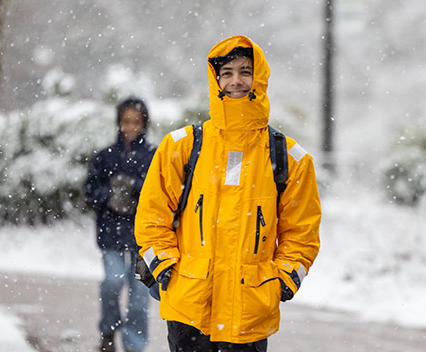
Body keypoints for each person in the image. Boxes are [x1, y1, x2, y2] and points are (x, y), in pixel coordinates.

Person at [135, 35, 321, 351]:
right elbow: (152, 218)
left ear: (258, 76)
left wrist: (283, 281)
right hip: (189, 305)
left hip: (250, 311)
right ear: (216, 79)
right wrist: (166, 267)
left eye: (245, 71)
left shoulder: (289, 158)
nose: (237, 80)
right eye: (228, 72)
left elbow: (302, 234)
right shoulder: (181, 147)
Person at [84, 97, 157, 352]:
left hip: (145, 240)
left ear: (144, 123)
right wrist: (110, 195)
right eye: (126, 121)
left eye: (136, 121)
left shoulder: (154, 156)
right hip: (111, 235)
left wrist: (135, 188)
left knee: (140, 293)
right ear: (119, 122)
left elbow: (161, 192)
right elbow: (90, 191)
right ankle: (108, 332)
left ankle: (134, 346)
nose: (131, 126)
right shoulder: (104, 156)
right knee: (112, 283)